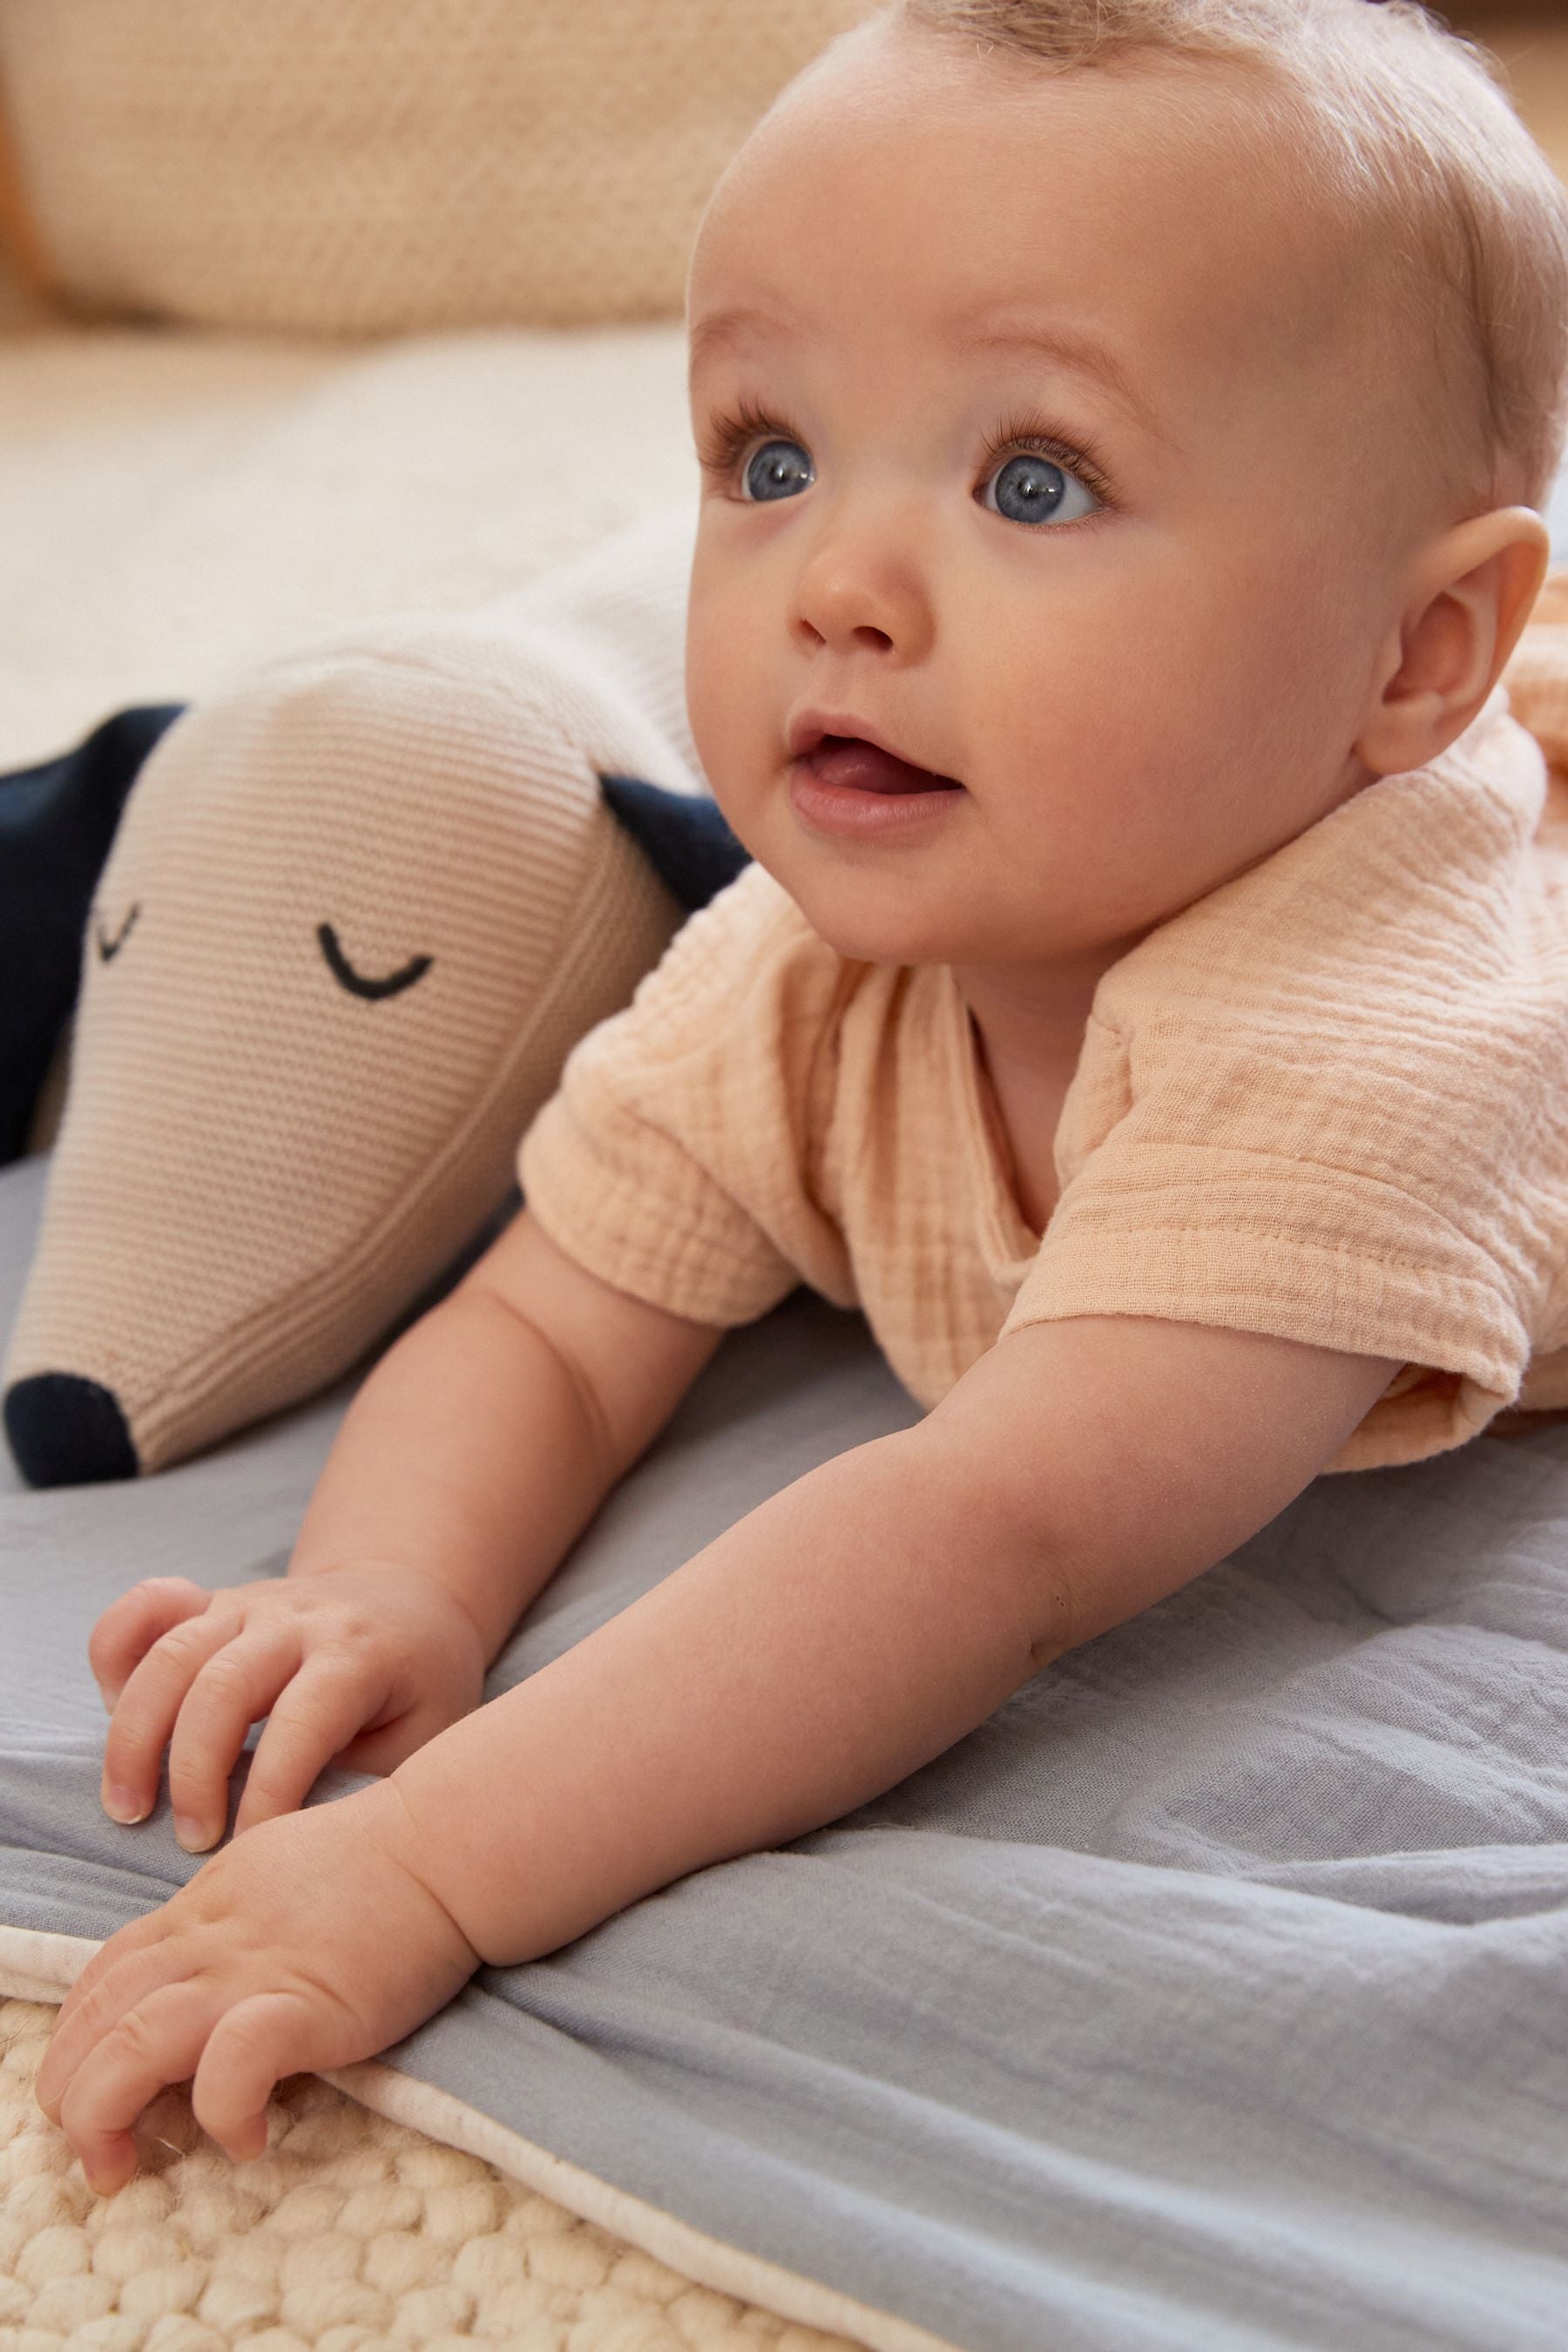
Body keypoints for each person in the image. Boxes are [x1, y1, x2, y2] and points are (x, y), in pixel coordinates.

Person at [37, 0, 1568, 2192]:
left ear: (1410, 658)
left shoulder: (1368, 1035)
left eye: (1033, 480)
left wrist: (422, 1875)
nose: (835, 590)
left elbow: (998, 1534)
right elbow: (557, 1317)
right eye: (767, 456)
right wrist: (391, 1592)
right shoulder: (820, 939)